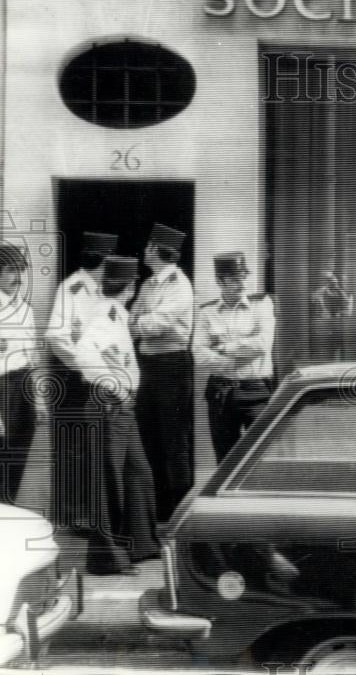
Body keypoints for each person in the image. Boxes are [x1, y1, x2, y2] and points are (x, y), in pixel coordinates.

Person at [76, 255, 158, 575]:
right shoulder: (103, 315)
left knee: (138, 473)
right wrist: (115, 386)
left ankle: (141, 544)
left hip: (121, 406)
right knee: (108, 481)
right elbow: (84, 354)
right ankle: (106, 559)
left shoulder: (117, 314)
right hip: (108, 403)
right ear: (130, 287)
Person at [46, 231, 118, 528]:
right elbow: (56, 336)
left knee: (92, 446)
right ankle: (75, 516)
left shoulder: (101, 290)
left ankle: (91, 514)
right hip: (76, 378)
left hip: (96, 377)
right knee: (75, 447)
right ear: (100, 261)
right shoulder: (72, 289)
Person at [129, 222, 194, 522]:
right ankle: (158, 509)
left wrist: (141, 324)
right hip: (148, 367)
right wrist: (143, 324)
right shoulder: (147, 285)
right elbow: (137, 317)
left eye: (147, 247)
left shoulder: (180, 285)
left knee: (175, 441)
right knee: (149, 438)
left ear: (156, 250)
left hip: (172, 367)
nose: (144, 251)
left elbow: (159, 323)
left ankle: (181, 513)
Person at [194, 252, 276, 463]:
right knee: (225, 459)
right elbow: (198, 353)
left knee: (260, 459)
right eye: (234, 279)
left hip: (256, 392)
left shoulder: (262, 304)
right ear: (219, 281)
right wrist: (234, 360)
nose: (242, 283)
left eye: (243, 276)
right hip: (221, 394)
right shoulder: (207, 311)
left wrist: (223, 348)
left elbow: (263, 344)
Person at [0, 244, 47, 505]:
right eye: (11, 270)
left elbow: (31, 356)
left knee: (17, 459)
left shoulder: (25, 309)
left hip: (23, 388)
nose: (18, 277)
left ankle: (7, 519)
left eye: (21, 270)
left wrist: (39, 399)